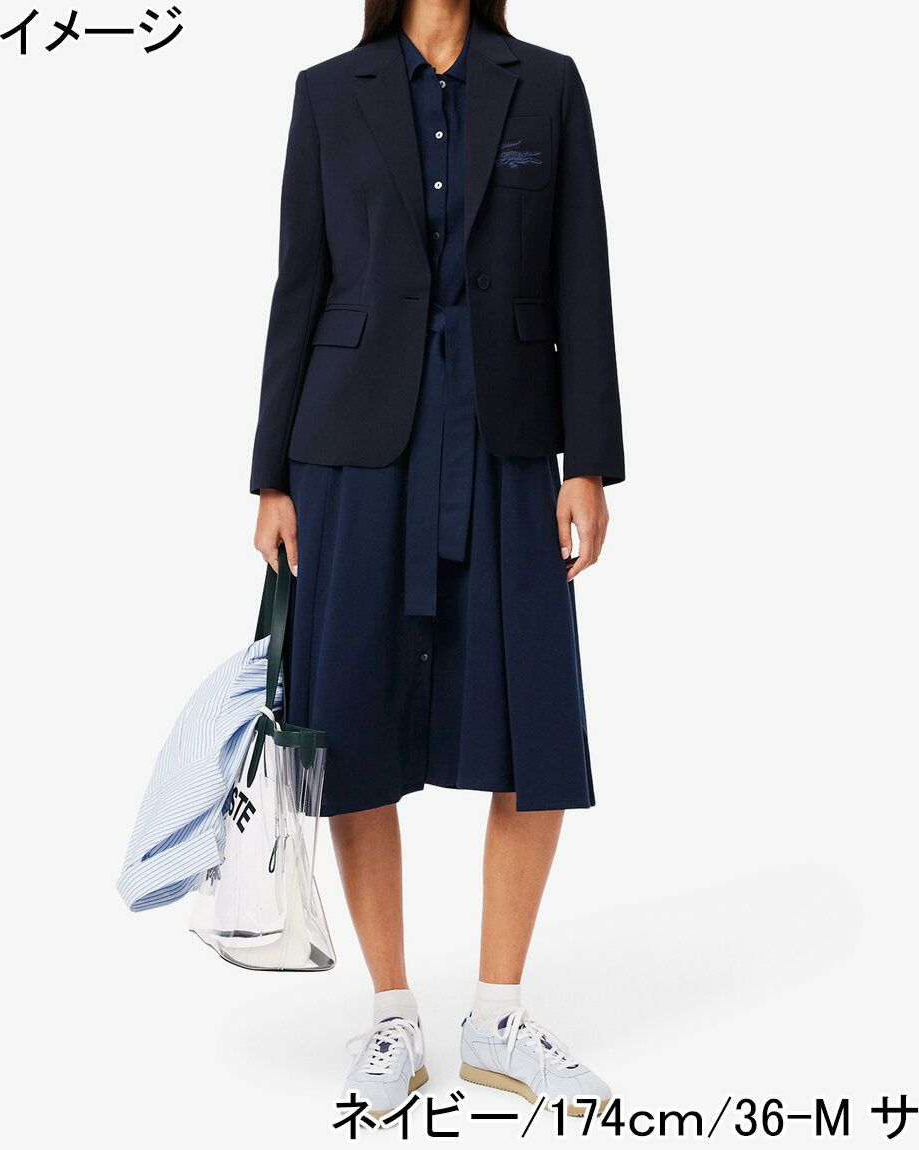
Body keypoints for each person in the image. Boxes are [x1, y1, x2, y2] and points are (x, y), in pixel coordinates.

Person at [249, 0, 624, 1118]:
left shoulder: (546, 84)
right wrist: (270, 476)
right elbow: (300, 284)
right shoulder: (330, 93)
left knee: (534, 725)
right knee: (353, 728)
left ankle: (498, 1016)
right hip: (350, 449)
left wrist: (589, 462)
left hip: (506, 441)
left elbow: (582, 278)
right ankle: (391, 1015)